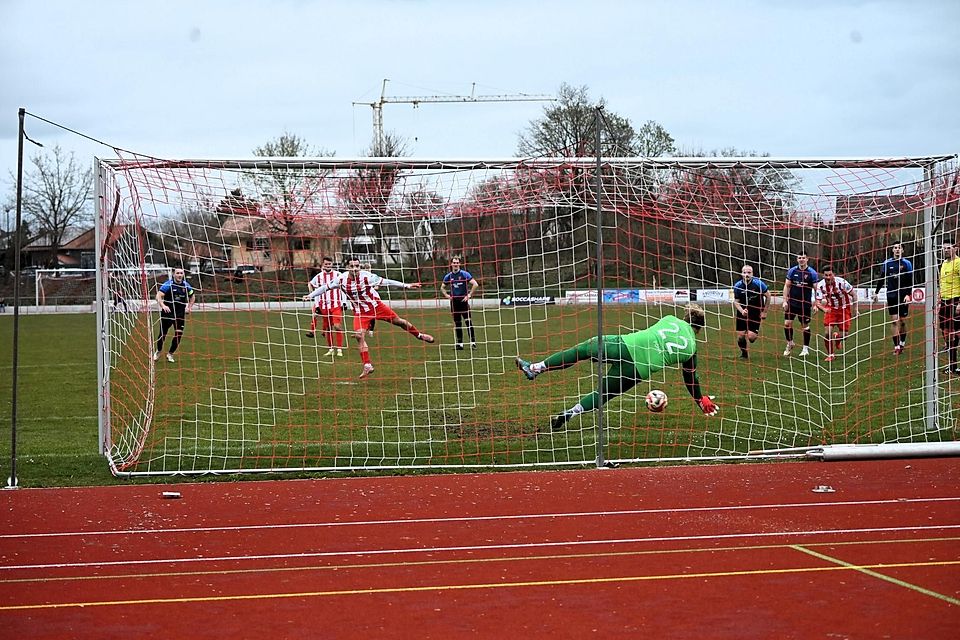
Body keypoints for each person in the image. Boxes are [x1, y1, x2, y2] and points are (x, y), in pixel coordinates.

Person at [515, 304, 719, 430]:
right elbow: (690, 378)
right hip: (639, 369)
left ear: (686, 318)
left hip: (627, 344)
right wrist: (700, 400)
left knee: (584, 349)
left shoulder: (670, 319)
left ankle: (535, 368)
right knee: (603, 393)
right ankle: (572, 412)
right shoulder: (691, 348)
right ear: (699, 329)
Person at [302, 257, 434, 379]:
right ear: (347, 267)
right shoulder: (340, 279)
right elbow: (325, 288)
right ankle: (367, 365)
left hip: (376, 306)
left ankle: (419, 335)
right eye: (352, 266)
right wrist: (311, 295)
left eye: (357, 266)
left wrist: (407, 285)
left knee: (399, 322)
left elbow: (387, 282)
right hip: (361, 312)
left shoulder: (367, 276)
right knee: (359, 335)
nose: (355, 268)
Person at [872, 242, 914, 355]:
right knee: (894, 321)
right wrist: (876, 293)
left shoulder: (907, 263)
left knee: (902, 321)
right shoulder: (887, 263)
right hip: (891, 296)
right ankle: (896, 347)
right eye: (895, 248)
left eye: (899, 248)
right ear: (892, 250)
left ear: (902, 251)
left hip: (903, 296)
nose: (897, 250)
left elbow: (910, 281)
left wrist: (908, 294)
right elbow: (881, 278)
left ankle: (902, 343)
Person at [814, 264, 858, 363]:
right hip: (831, 309)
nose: (828, 277)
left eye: (830, 275)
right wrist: (823, 309)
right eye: (826, 275)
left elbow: (854, 294)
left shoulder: (842, 282)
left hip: (844, 309)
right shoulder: (820, 285)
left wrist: (855, 310)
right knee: (827, 333)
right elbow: (817, 302)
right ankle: (830, 354)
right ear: (823, 275)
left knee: (845, 336)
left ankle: (837, 337)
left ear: (834, 274)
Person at [306, 257, 346, 357]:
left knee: (337, 326)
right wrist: (317, 304)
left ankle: (340, 349)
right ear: (323, 265)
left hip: (336, 305)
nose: (328, 266)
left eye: (329, 264)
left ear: (332, 264)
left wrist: (344, 302)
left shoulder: (338, 275)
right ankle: (331, 349)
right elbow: (312, 286)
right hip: (324, 306)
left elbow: (344, 287)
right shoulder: (318, 276)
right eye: (326, 264)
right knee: (328, 328)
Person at [154, 267, 195, 363]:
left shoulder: (186, 286)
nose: (179, 275)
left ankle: (170, 354)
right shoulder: (168, 284)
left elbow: (192, 296)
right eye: (178, 273)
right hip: (168, 313)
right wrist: (163, 305)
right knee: (162, 334)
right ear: (174, 274)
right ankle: (158, 351)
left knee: (178, 334)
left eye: (181, 273)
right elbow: (158, 296)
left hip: (180, 314)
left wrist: (189, 307)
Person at [782, 251, 819, 357]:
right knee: (787, 323)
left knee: (805, 326)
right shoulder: (792, 271)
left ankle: (805, 349)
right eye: (799, 258)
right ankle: (790, 344)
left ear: (807, 259)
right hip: (792, 303)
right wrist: (785, 301)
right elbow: (787, 286)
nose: (801, 259)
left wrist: (816, 304)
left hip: (805, 304)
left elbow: (817, 290)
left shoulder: (812, 273)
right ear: (797, 259)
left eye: (803, 257)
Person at [732, 264, 771, 359]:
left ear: (752, 274)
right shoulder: (738, 286)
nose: (747, 274)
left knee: (751, 338)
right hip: (742, 313)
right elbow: (736, 302)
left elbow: (768, 296)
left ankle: (752, 332)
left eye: (749, 272)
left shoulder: (759, 284)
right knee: (740, 336)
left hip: (755, 312)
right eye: (744, 272)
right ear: (741, 274)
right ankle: (744, 353)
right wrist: (742, 311)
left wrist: (764, 311)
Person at [441, 256, 479, 350]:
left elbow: (475, 284)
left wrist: (469, 295)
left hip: (463, 301)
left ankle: (473, 343)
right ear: (451, 264)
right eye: (454, 263)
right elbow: (442, 287)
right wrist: (446, 295)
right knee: (457, 323)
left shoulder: (464, 274)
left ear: (460, 264)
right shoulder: (449, 276)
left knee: (468, 322)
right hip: (454, 302)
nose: (455, 264)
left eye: (457, 263)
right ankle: (460, 344)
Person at [938, 238, 960, 374]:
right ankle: (952, 366)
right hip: (945, 302)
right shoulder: (944, 264)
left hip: (955, 301)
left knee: (956, 333)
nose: (946, 250)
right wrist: (940, 296)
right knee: (945, 332)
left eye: (948, 248)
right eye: (944, 248)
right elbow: (943, 283)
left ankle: (954, 366)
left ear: (955, 248)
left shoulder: (958, 263)